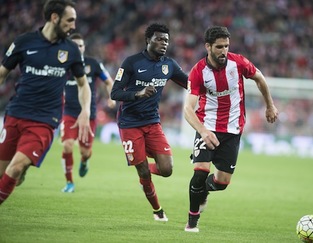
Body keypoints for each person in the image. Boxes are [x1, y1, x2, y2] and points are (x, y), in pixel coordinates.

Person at [183, 26, 278, 232]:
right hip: (207, 127)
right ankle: (192, 221)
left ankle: (205, 190)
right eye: (219, 47)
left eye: (226, 46)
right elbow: (187, 109)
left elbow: (260, 79)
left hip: (233, 130)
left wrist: (269, 105)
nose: (224, 50)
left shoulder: (239, 63)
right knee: (200, 172)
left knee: (222, 182)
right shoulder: (198, 71)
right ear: (208, 47)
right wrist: (203, 131)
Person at [0, 0, 92, 205]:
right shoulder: (23, 42)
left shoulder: (71, 50)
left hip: (44, 120)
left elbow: (82, 84)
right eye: (70, 20)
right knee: (6, 173)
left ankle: (20, 170)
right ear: (54, 18)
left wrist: (85, 110)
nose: (73, 26)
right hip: (15, 114)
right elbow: (2, 75)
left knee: (15, 167)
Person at [110, 23, 188, 222]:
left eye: (166, 40)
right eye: (159, 39)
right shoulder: (131, 62)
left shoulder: (169, 65)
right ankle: (157, 210)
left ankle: (141, 169)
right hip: (129, 124)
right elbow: (115, 93)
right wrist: (139, 93)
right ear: (148, 40)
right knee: (143, 170)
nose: (164, 43)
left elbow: (189, 83)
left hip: (152, 122)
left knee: (167, 170)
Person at [60, 33, 115, 193]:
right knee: (67, 145)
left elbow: (109, 81)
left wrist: (111, 98)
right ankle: (69, 182)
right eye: (75, 45)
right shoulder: (62, 65)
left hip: (89, 114)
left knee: (85, 152)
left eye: (81, 45)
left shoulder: (93, 64)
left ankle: (84, 161)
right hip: (69, 112)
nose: (78, 48)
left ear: (84, 48)